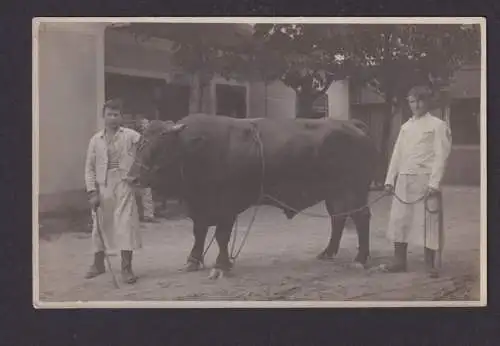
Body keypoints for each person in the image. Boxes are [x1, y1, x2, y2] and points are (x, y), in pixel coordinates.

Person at [383, 85, 452, 278]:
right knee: (400, 219)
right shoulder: (406, 127)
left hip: (425, 180)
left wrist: (434, 183)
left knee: (428, 221)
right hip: (404, 179)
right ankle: (399, 260)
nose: (416, 105)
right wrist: (390, 180)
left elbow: (441, 155)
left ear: (428, 102)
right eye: (412, 101)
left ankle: (430, 264)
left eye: (420, 101)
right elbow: (397, 154)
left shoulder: (438, 125)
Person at [84, 99, 142, 284]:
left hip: (124, 182)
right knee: (100, 224)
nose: (113, 118)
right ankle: (98, 263)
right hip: (103, 183)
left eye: (116, 114)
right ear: (104, 116)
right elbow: (89, 168)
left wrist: (137, 171)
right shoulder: (96, 140)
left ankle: (126, 268)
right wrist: (92, 191)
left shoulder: (130, 135)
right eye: (109, 114)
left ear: (121, 117)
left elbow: (146, 147)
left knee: (125, 223)